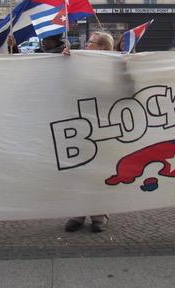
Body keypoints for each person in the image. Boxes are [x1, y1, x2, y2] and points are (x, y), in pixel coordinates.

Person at [63, 31, 114, 233]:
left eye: (90, 43)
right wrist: (65, 62)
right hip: (79, 122)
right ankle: (78, 212)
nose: (86, 46)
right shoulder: (79, 63)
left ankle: (100, 214)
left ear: (101, 47)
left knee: (100, 171)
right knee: (79, 169)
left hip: (104, 123)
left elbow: (126, 89)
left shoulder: (115, 65)